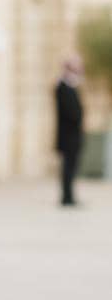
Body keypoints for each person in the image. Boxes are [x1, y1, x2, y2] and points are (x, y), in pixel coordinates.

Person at [55, 55, 85, 208]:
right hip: (67, 135)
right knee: (67, 167)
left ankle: (70, 196)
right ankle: (66, 197)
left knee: (72, 166)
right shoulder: (62, 86)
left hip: (74, 135)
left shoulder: (72, 86)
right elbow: (70, 112)